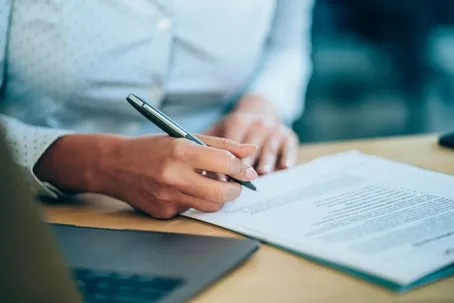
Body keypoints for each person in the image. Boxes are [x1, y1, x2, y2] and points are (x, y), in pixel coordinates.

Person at [0, 0, 313, 218]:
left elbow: (285, 47)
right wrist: (101, 165)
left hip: (217, 209)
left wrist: (260, 107)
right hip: (36, 212)